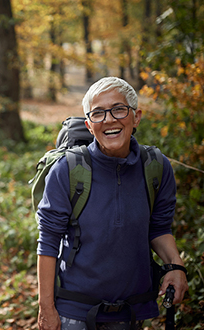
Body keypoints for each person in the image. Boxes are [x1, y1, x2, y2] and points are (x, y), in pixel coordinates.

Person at [36, 77, 188, 330]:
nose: (108, 119)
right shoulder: (67, 170)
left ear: (136, 117)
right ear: (89, 124)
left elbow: (159, 229)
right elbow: (48, 241)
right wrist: (46, 308)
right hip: (74, 312)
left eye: (118, 109)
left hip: (131, 312)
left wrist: (176, 266)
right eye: (98, 113)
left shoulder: (156, 168)